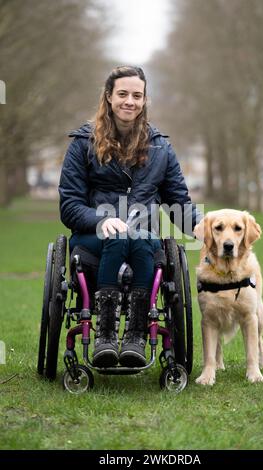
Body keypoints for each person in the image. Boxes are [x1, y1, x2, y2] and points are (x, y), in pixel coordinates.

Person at [59, 65, 201, 369]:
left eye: (137, 95)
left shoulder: (161, 147)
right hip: (93, 239)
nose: (130, 101)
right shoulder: (82, 144)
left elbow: (179, 200)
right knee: (121, 234)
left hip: (144, 241)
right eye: (122, 94)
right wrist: (100, 219)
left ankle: (136, 335)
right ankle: (106, 335)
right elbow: (69, 205)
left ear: (145, 99)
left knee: (139, 238)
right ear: (109, 97)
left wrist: (202, 225)